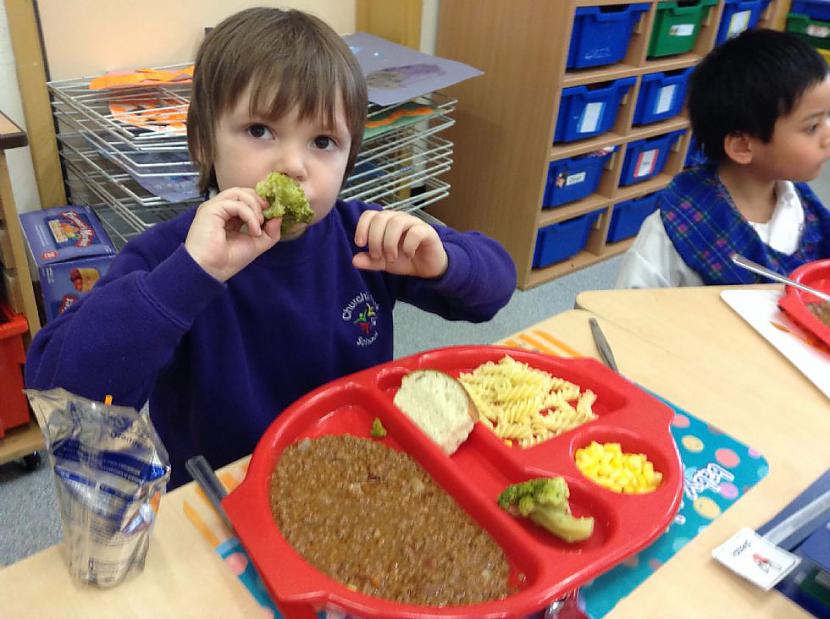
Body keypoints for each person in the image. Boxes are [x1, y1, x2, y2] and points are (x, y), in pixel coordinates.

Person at [25, 8, 517, 487]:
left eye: (323, 142)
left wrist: (445, 262)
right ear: (202, 141)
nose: (293, 165)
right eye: (260, 131)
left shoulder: (364, 236)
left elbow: (495, 289)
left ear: (349, 160)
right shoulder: (169, 258)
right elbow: (61, 391)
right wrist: (184, 280)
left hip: (356, 475)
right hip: (225, 494)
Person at [615, 28, 830, 288]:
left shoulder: (803, 207)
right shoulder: (675, 229)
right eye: (812, 127)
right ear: (742, 146)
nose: (827, 135)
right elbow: (625, 314)